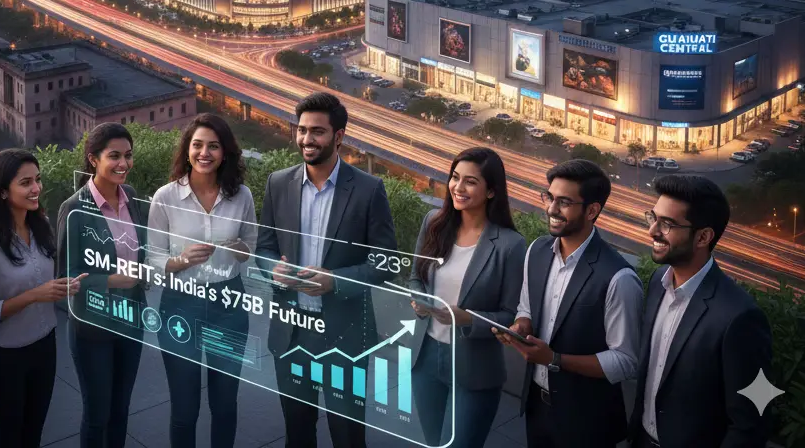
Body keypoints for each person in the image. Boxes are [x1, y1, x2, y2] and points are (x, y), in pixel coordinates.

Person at [256, 91, 397, 448]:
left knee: (348, 437)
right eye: (302, 130)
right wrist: (273, 270)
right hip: (291, 331)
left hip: (345, 336)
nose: (306, 139)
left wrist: (336, 281)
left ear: (338, 136)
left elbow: (387, 262)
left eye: (317, 131)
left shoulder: (368, 189)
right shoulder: (277, 182)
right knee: (297, 433)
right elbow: (264, 248)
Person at [495, 159, 643, 448]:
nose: (551, 209)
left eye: (564, 202)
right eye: (549, 197)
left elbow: (625, 361)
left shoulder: (620, 277)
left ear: (592, 210)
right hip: (536, 407)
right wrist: (521, 326)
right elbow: (526, 308)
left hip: (587, 420)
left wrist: (554, 359)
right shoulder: (537, 250)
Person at [628, 175, 773, 448]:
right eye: (653, 218)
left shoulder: (741, 318)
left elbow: (751, 422)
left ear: (703, 237)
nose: (652, 231)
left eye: (667, 224)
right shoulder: (658, 283)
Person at [147, 113, 257, 448]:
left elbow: (251, 246)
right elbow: (153, 257)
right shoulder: (165, 197)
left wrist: (239, 249)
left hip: (229, 305)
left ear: (225, 153)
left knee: (225, 405)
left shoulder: (242, 196)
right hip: (181, 304)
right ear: (187, 149)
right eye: (197, 145)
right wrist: (180, 261)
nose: (204, 153)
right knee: (184, 408)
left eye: (213, 146)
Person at [0, 148, 85, 448]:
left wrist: (62, 286)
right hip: (3, 359)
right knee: (5, 440)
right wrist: (33, 296)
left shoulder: (40, 226)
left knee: (32, 436)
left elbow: (42, 280)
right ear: (3, 191)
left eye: (38, 180)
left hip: (43, 348)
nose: (36, 189)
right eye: (26, 183)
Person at [408, 147, 526, 448]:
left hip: (476, 365)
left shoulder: (510, 245)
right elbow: (415, 278)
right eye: (455, 177)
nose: (458, 187)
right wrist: (419, 301)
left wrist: (468, 319)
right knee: (432, 442)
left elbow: (510, 316)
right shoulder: (433, 222)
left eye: (470, 181)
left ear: (491, 191)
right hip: (426, 355)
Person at [57, 122, 147, 448]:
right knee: (97, 414)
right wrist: (110, 280)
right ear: (93, 159)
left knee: (121, 410)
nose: (123, 163)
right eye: (114, 156)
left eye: (128, 155)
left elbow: (142, 248)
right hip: (92, 327)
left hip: (131, 321)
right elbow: (64, 277)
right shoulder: (73, 208)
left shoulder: (131, 196)